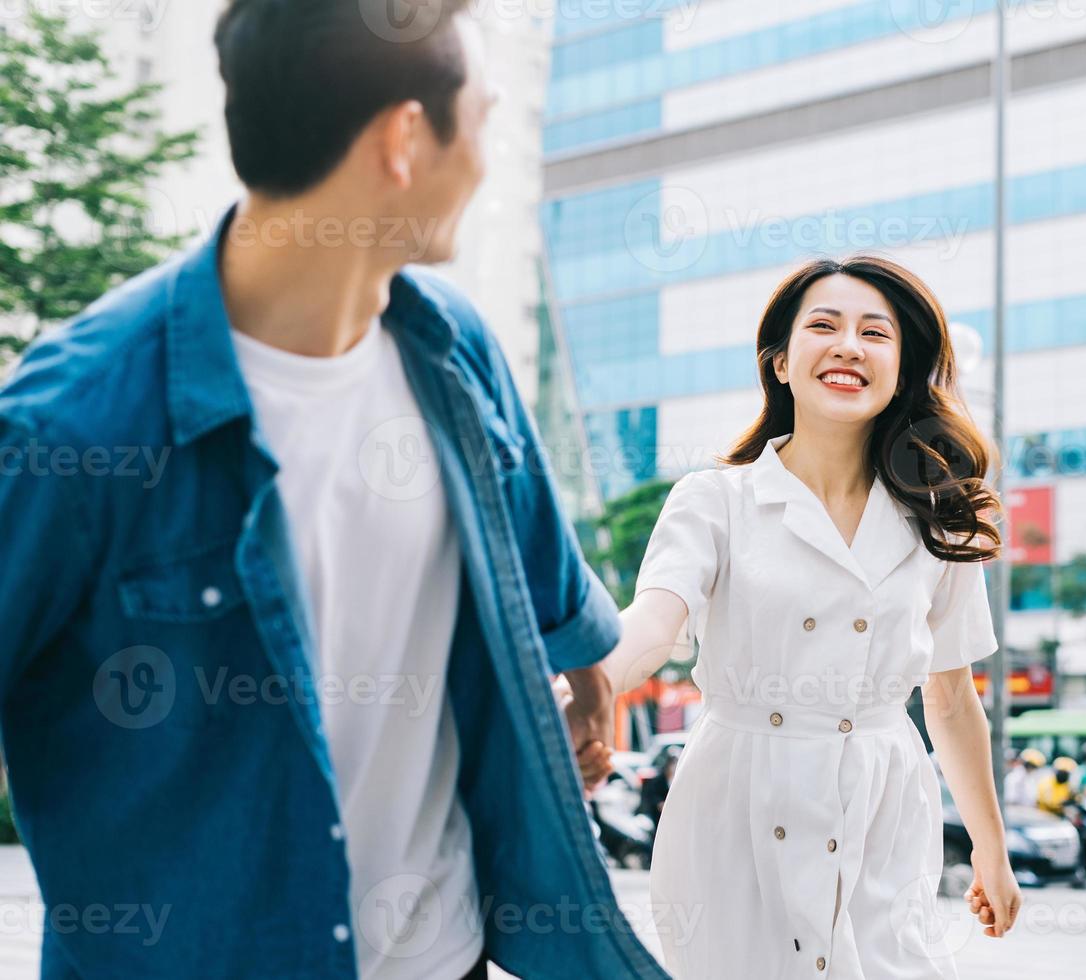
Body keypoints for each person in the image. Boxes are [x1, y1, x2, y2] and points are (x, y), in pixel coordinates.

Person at [0, 3, 663, 978]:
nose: (487, 151)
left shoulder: (458, 351)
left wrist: (591, 670)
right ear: (403, 140)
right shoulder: (73, 427)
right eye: (486, 112)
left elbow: (542, 569)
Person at [601, 257, 1022, 978]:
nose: (849, 346)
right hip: (736, 798)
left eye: (875, 333)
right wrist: (591, 681)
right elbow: (653, 624)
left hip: (883, 802)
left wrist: (991, 848)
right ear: (781, 362)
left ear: (902, 366)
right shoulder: (715, 501)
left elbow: (951, 700)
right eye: (823, 326)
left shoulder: (935, 518)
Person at [638, 747, 680, 831]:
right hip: (659, 818)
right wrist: (660, 804)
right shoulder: (658, 780)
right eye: (672, 763)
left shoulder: (678, 779)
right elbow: (652, 796)